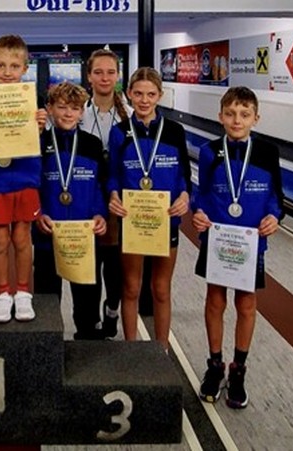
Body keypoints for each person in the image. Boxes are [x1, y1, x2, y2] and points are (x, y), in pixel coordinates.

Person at [192, 86, 284, 408]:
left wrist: (274, 216)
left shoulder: (267, 152)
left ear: (256, 118)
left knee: (246, 304)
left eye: (244, 114)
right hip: (217, 238)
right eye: (230, 114)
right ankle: (215, 365)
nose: (237, 120)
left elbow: (276, 196)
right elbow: (201, 193)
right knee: (215, 300)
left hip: (250, 242)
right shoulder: (209, 151)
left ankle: (238, 369)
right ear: (220, 116)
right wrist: (198, 211)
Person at [108, 67, 191, 351]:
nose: (144, 100)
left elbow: (184, 174)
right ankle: (132, 351)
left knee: (161, 288)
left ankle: (162, 349)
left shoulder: (174, 131)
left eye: (151, 94)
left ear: (160, 95)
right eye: (139, 94)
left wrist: (184, 196)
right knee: (131, 287)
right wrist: (113, 195)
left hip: (166, 220)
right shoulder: (119, 133)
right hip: (132, 219)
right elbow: (113, 174)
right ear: (129, 94)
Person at [0, 35, 48, 323]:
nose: (7, 72)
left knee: (22, 237)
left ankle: (23, 292)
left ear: (25, 68)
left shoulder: (33, 100)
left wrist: (40, 127)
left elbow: (41, 143)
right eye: (1, 65)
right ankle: (3, 293)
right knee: (0, 238)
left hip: (26, 177)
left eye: (14, 66)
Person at [34, 81, 108, 339]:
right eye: (62, 107)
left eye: (74, 108)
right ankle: (48, 345)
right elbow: (32, 184)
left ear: (82, 112)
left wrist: (100, 214)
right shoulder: (39, 143)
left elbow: (100, 185)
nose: (68, 113)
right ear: (49, 108)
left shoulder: (92, 144)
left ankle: (87, 339)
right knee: (46, 298)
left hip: (84, 235)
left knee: (87, 299)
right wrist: (38, 213)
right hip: (48, 233)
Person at [79, 48, 132, 338]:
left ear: (118, 76)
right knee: (91, 261)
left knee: (114, 265)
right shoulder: (79, 114)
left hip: (120, 200)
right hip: (87, 196)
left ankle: (112, 309)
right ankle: (91, 322)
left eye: (110, 72)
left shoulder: (131, 116)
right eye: (98, 72)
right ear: (89, 76)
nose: (104, 77)